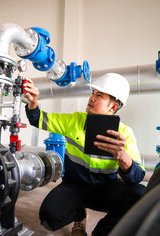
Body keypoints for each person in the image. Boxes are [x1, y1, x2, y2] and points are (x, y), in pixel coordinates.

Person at [23, 73, 146, 236]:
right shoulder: (74, 120)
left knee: (139, 194)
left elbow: (136, 178)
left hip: (105, 189)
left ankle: (101, 232)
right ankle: (79, 216)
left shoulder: (124, 133)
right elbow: (38, 119)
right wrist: (33, 102)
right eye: (93, 93)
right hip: (74, 186)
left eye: (99, 95)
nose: (92, 98)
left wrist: (123, 157)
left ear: (113, 107)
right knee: (49, 218)